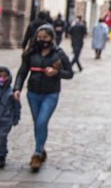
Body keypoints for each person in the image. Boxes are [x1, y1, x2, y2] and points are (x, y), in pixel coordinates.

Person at [13, 24, 73, 172]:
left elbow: (70, 73)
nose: (42, 40)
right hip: (33, 93)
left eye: (45, 37)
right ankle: (41, 148)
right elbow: (22, 72)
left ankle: (37, 154)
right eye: (39, 38)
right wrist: (17, 88)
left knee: (42, 121)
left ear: (51, 38)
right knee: (37, 123)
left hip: (51, 93)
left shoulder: (59, 53)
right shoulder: (31, 53)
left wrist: (56, 72)